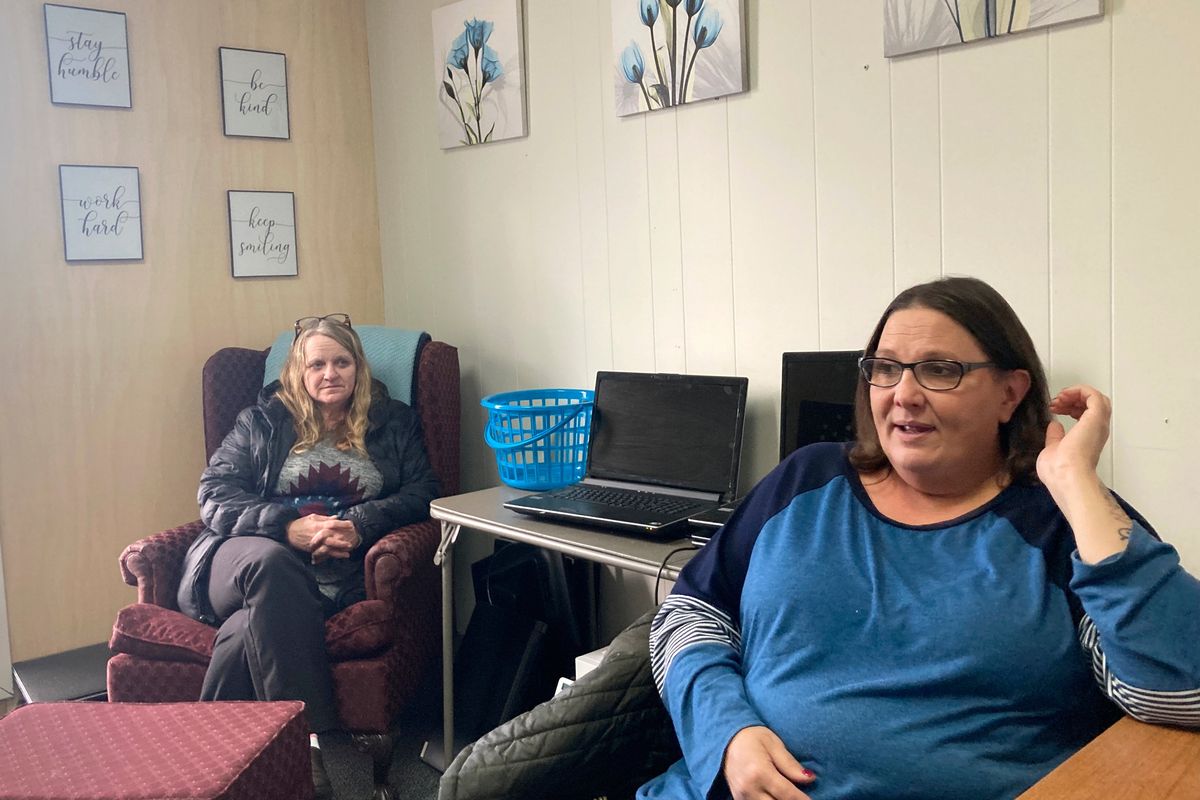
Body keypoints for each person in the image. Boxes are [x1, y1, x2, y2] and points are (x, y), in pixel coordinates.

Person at [639, 277, 1200, 800]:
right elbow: (688, 616)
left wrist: (1075, 483)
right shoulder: (805, 480)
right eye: (885, 369)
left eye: (939, 370)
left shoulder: (1064, 524)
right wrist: (728, 734)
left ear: (1010, 393)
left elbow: (1180, 690)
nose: (902, 394)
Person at [177, 313, 440, 799]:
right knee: (271, 565)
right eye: (317, 364)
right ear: (299, 370)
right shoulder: (262, 420)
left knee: (245, 632)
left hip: (327, 574)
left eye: (341, 362)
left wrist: (360, 524)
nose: (330, 373)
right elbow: (214, 493)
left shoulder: (393, 421)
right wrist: (287, 528)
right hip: (240, 558)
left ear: (358, 366)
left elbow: (425, 490)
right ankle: (310, 743)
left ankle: (207, 765)